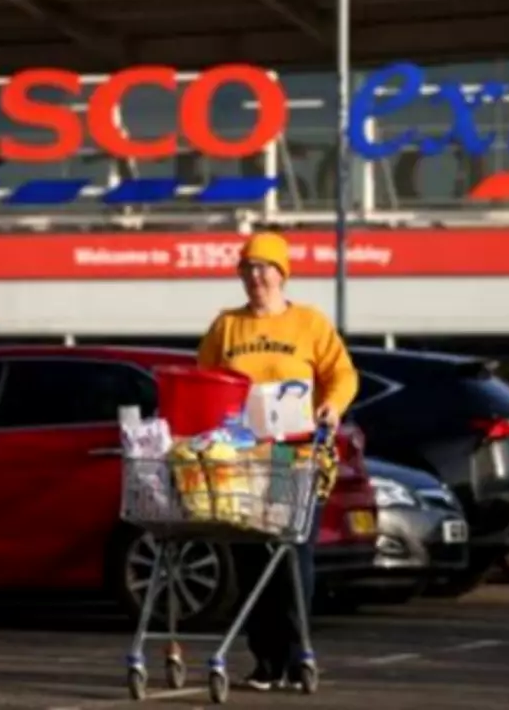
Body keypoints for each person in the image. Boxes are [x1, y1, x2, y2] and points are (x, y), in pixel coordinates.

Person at [197, 230, 358, 691]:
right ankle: (264, 659)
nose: (256, 276)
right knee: (250, 556)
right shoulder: (227, 326)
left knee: (291, 552)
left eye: (265, 267)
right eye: (247, 268)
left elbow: (341, 372)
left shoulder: (308, 323)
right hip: (241, 459)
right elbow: (204, 380)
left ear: (282, 273)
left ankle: (296, 653)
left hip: (291, 456)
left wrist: (334, 404)